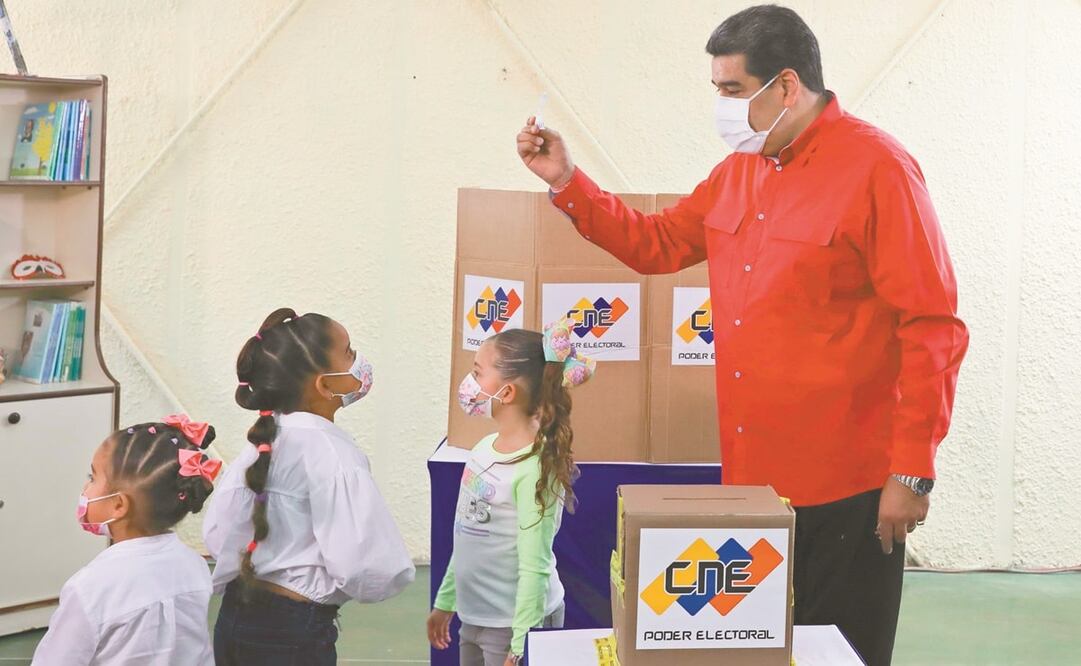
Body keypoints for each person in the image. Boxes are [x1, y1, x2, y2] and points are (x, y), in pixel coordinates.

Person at [514, 6, 969, 665]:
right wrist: (565, 181)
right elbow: (657, 242)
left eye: (731, 90)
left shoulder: (878, 170)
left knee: (838, 651)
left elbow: (931, 326)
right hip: (753, 483)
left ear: (785, 86)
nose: (721, 107)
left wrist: (912, 469)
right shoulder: (740, 172)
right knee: (754, 650)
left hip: (847, 484)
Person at [203, 308, 415, 665]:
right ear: (325, 385)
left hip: (234, 615)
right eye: (349, 352)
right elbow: (369, 567)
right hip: (294, 632)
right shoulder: (335, 454)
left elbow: (218, 534)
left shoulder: (261, 444)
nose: (359, 360)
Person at [427, 319, 596, 666]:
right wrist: (446, 601)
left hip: (513, 627)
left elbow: (534, 564)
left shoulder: (534, 467)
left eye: (478, 372)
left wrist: (522, 642)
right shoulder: (483, 449)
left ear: (506, 393)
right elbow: (467, 535)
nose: (469, 383)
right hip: (475, 618)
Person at [32, 415, 220, 665]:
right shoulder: (195, 566)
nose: (85, 487)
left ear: (119, 505)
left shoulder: (90, 588)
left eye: (92, 477)